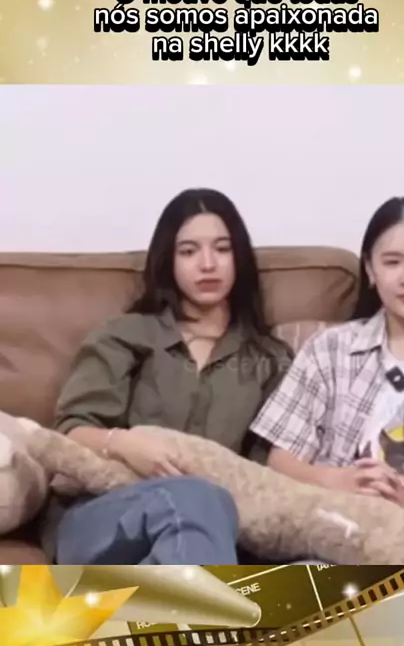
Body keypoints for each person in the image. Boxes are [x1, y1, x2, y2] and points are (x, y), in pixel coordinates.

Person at [39, 188, 292, 565]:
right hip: (104, 514)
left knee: (312, 573)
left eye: (222, 249)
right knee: (193, 496)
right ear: (168, 261)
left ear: (239, 257)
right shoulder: (124, 335)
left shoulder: (271, 360)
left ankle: (156, 597)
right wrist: (124, 444)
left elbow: (269, 475)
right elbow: (70, 431)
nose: (208, 264)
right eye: (189, 251)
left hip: (211, 531)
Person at [250, 196, 404, 508]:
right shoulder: (328, 349)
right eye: (392, 262)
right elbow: (280, 462)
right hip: (337, 519)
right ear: (371, 269)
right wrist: (338, 481)